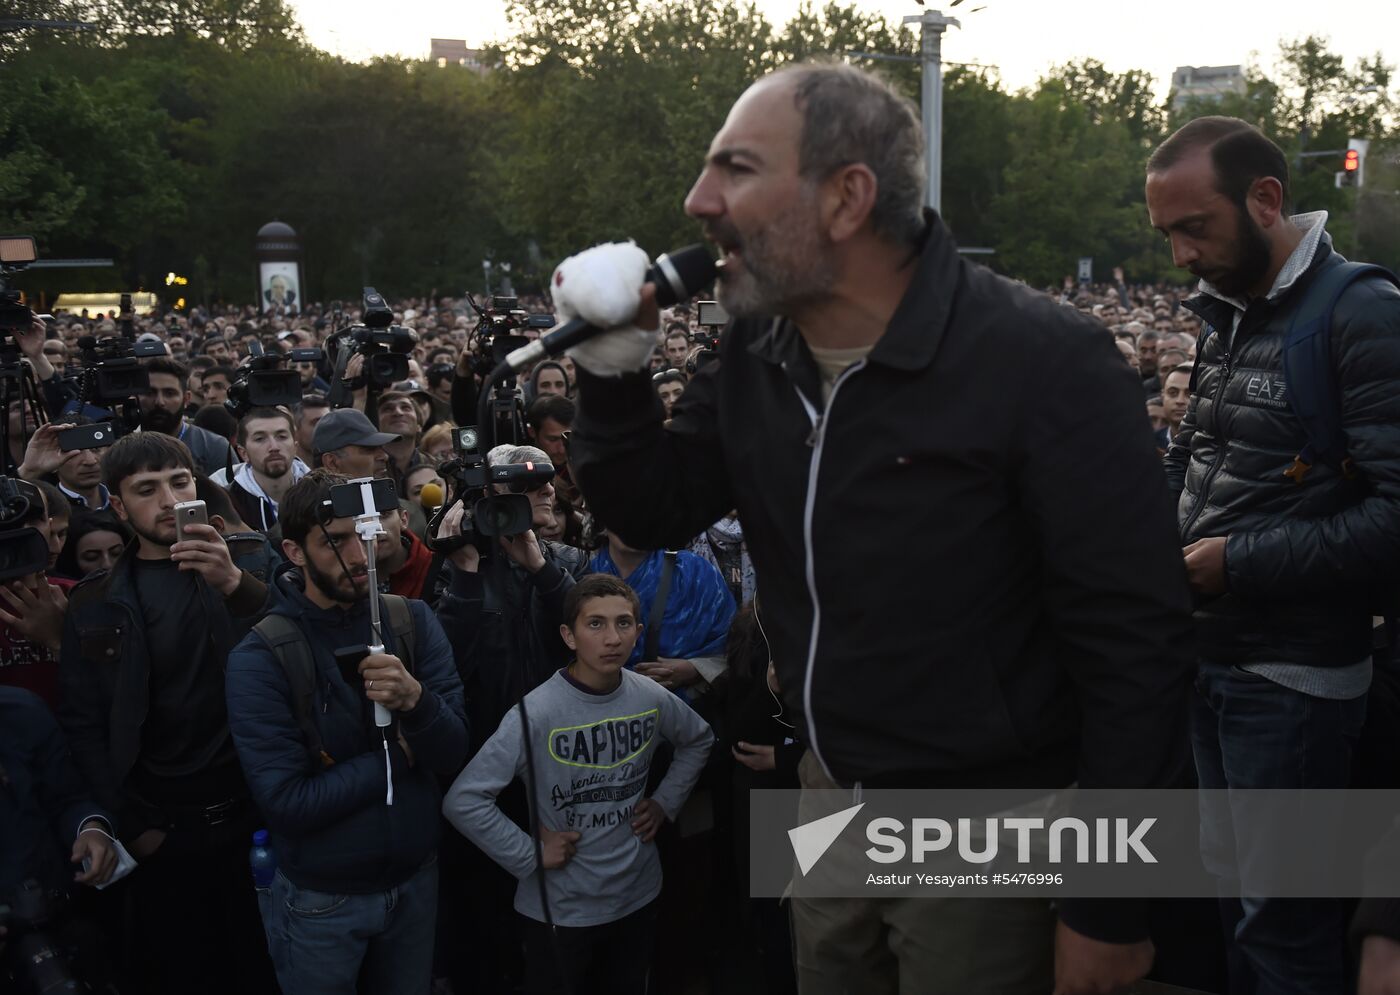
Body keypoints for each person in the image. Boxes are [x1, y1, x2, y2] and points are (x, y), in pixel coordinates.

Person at [565, 61, 1194, 995]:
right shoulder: (756, 345)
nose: (699, 201)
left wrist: (1106, 901)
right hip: (827, 792)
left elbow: (1138, 643)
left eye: (734, 169)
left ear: (847, 197)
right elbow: (654, 507)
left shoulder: (1042, 361)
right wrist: (614, 376)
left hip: (991, 813)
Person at [1148, 116, 1400, 995]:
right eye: (1168, 234)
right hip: (1213, 660)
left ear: (1265, 200)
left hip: (1293, 680)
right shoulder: (1230, 312)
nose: (1181, 256)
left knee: (1284, 925)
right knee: (1234, 903)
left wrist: (1238, 562)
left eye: (1196, 228)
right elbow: (1201, 459)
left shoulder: (1360, 313)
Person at [225, 469, 467, 995]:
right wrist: (403, 757)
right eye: (335, 542)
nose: (360, 557)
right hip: (322, 900)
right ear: (293, 551)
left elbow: (453, 751)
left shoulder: (412, 620)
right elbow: (289, 802)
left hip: (415, 879)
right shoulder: (262, 656)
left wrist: (416, 702)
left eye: (367, 534)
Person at [57, 432, 276, 995]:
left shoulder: (250, 561)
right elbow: (84, 724)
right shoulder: (94, 601)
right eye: (146, 489)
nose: (169, 500)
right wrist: (134, 826)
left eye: (179, 482)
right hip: (164, 830)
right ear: (117, 503)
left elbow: (302, 647)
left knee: (267, 967)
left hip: (259, 817)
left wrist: (233, 584)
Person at [442, 574, 713, 995]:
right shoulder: (538, 712)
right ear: (569, 636)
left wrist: (664, 802)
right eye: (595, 624)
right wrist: (528, 852)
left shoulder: (650, 696)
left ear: (638, 633)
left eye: (624, 624)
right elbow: (465, 800)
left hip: (637, 894)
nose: (612, 638)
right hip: (562, 909)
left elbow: (698, 739)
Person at [138, 357, 237, 477]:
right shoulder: (123, 449)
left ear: (186, 399)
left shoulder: (215, 447)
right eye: (150, 393)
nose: (160, 402)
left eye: (169, 393)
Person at [227, 406, 310, 532]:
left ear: (295, 446)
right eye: (260, 439)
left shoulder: (319, 492)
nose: (274, 447)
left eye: (281, 437)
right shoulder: (229, 502)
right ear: (243, 453)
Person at [313, 407, 394, 479]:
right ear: (332, 463)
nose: (384, 456)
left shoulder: (390, 495)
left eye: (381, 447)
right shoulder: (309, 496)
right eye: (369, 449)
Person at [1160, 365, 1192, 441]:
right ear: (1162, 397)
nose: (1180, 401)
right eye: (1173, 392)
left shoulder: (1213, 447)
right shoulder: (1148, 442)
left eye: (1190, 394)